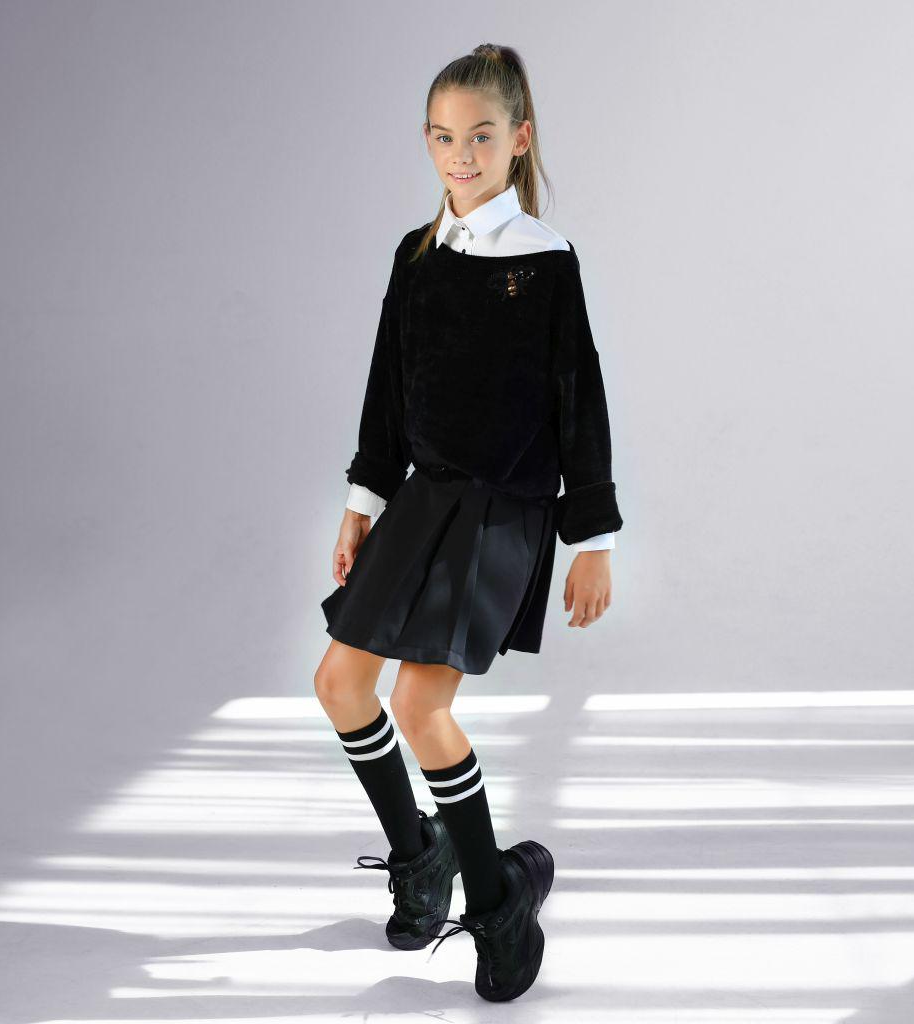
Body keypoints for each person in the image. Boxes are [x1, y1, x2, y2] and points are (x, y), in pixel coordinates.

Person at [313, 42, 623, 1003]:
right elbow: (386, 394)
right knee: (338, 683)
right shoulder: (416, 257)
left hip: (503, 510)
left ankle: (498, 904)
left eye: (481, 136)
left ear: (519, 141)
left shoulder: (546, 261)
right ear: (427, 141)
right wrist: (363, 504)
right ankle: (423, 857)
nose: (462, 155)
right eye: (445, 138)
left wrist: (592, 540)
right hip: (423, 500)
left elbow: (580, 402)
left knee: (420, 706)